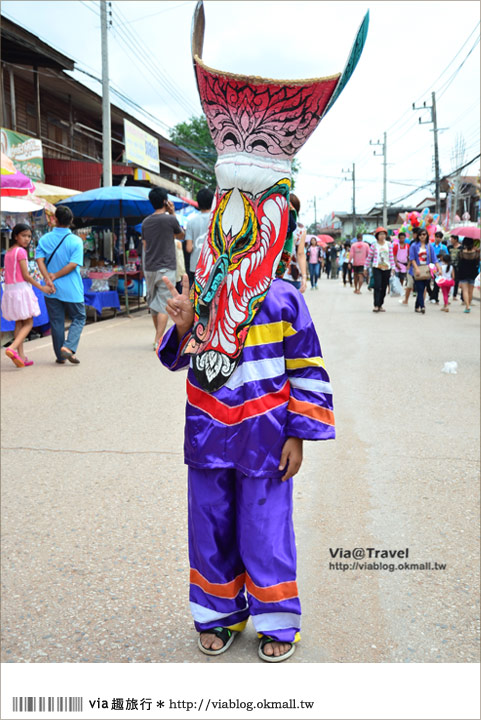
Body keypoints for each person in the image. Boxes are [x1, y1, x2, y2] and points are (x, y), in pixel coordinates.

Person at [36, 206, 86, 364]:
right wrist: (56, 275)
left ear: (54, 220)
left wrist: (48, 278)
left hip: (51, 289)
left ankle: (60, 355)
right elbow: (73, 265)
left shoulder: (44, 239)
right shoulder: (76, 241)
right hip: (72, 288)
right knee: (79, 317)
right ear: (71, 221)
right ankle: (69, 347)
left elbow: (39, 260)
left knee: (57, 321)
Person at [2, 223, 54, 367]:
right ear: (15, 236)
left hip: (10, 290)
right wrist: (42, 288)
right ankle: (12, 348)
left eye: (29, 236)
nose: (27, 239)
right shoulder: (21, 252)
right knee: (29, 322)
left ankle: (21, 356)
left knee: (19, 322)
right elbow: (26, 275)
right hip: (21, 290)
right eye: (24, 236)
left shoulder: (8, 252)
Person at [142, 187, 185, 349]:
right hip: (166, 267)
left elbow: (145, 245)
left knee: (154, 302)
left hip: (150, 267)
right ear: (165, 201)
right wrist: (172, 213)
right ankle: (158, 339)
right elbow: (180, 235)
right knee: (163, 303)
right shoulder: (170, 220)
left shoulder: (145, 222)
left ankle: (157, 337)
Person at [184, 188, 214, 287]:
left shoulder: (191, 221)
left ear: (198, 203)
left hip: (196, 266)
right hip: (214, 266)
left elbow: (189, 248)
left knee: (196, 297)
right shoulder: (217, 219)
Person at [408, 228, 441, 314]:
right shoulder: (414, 246)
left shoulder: (429, 246)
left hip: (427, 270)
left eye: (424, 234)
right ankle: (422, 306)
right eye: (420, 235)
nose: (422, 236)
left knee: (423, 288)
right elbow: (412, 259)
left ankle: (417, 306)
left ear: (427, 235)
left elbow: (434, 259)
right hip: (417, 269)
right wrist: (416, 268)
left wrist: (439, 268)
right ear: (418, 236)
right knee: (420, 288)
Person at [363, 227, 396, 312]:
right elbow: (369, 257)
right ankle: (376, 305)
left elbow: (391, 257)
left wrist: (393, 267)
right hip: (377, 267)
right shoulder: (374, 245)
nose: (382, 236)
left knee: (384, 287)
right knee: (377, 286)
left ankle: (381, 304)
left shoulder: (389, 244)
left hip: (387, 268)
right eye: (380, 234)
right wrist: (365, 268)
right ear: (377, 236)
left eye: (383, 234)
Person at [282, 193, 307, 293]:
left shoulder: (276, 226)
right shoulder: (300, 229)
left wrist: (304, 276)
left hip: (277, 275)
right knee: (293, 307)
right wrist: (304, 276)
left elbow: (300, 254)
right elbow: (300, 254)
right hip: (294, 275)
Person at [457, 237, 480, 313]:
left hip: (463, 273)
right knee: (471, 291)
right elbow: (477, 263)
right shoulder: (476, 253)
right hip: (473, 274)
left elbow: (459, 265)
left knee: (465, 291)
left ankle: (467, 306)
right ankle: (469, 304)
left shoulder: (461, 253)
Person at [447, 234, 461, 301]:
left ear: (456, 240)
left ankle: (454, 295)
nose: (451, 240)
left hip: (458, 266)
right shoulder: (449, 247)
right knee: (449, 279)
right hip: (449, 265)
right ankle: (447, 293)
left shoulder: (461, 247)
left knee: (456, 280)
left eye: (452, 239)